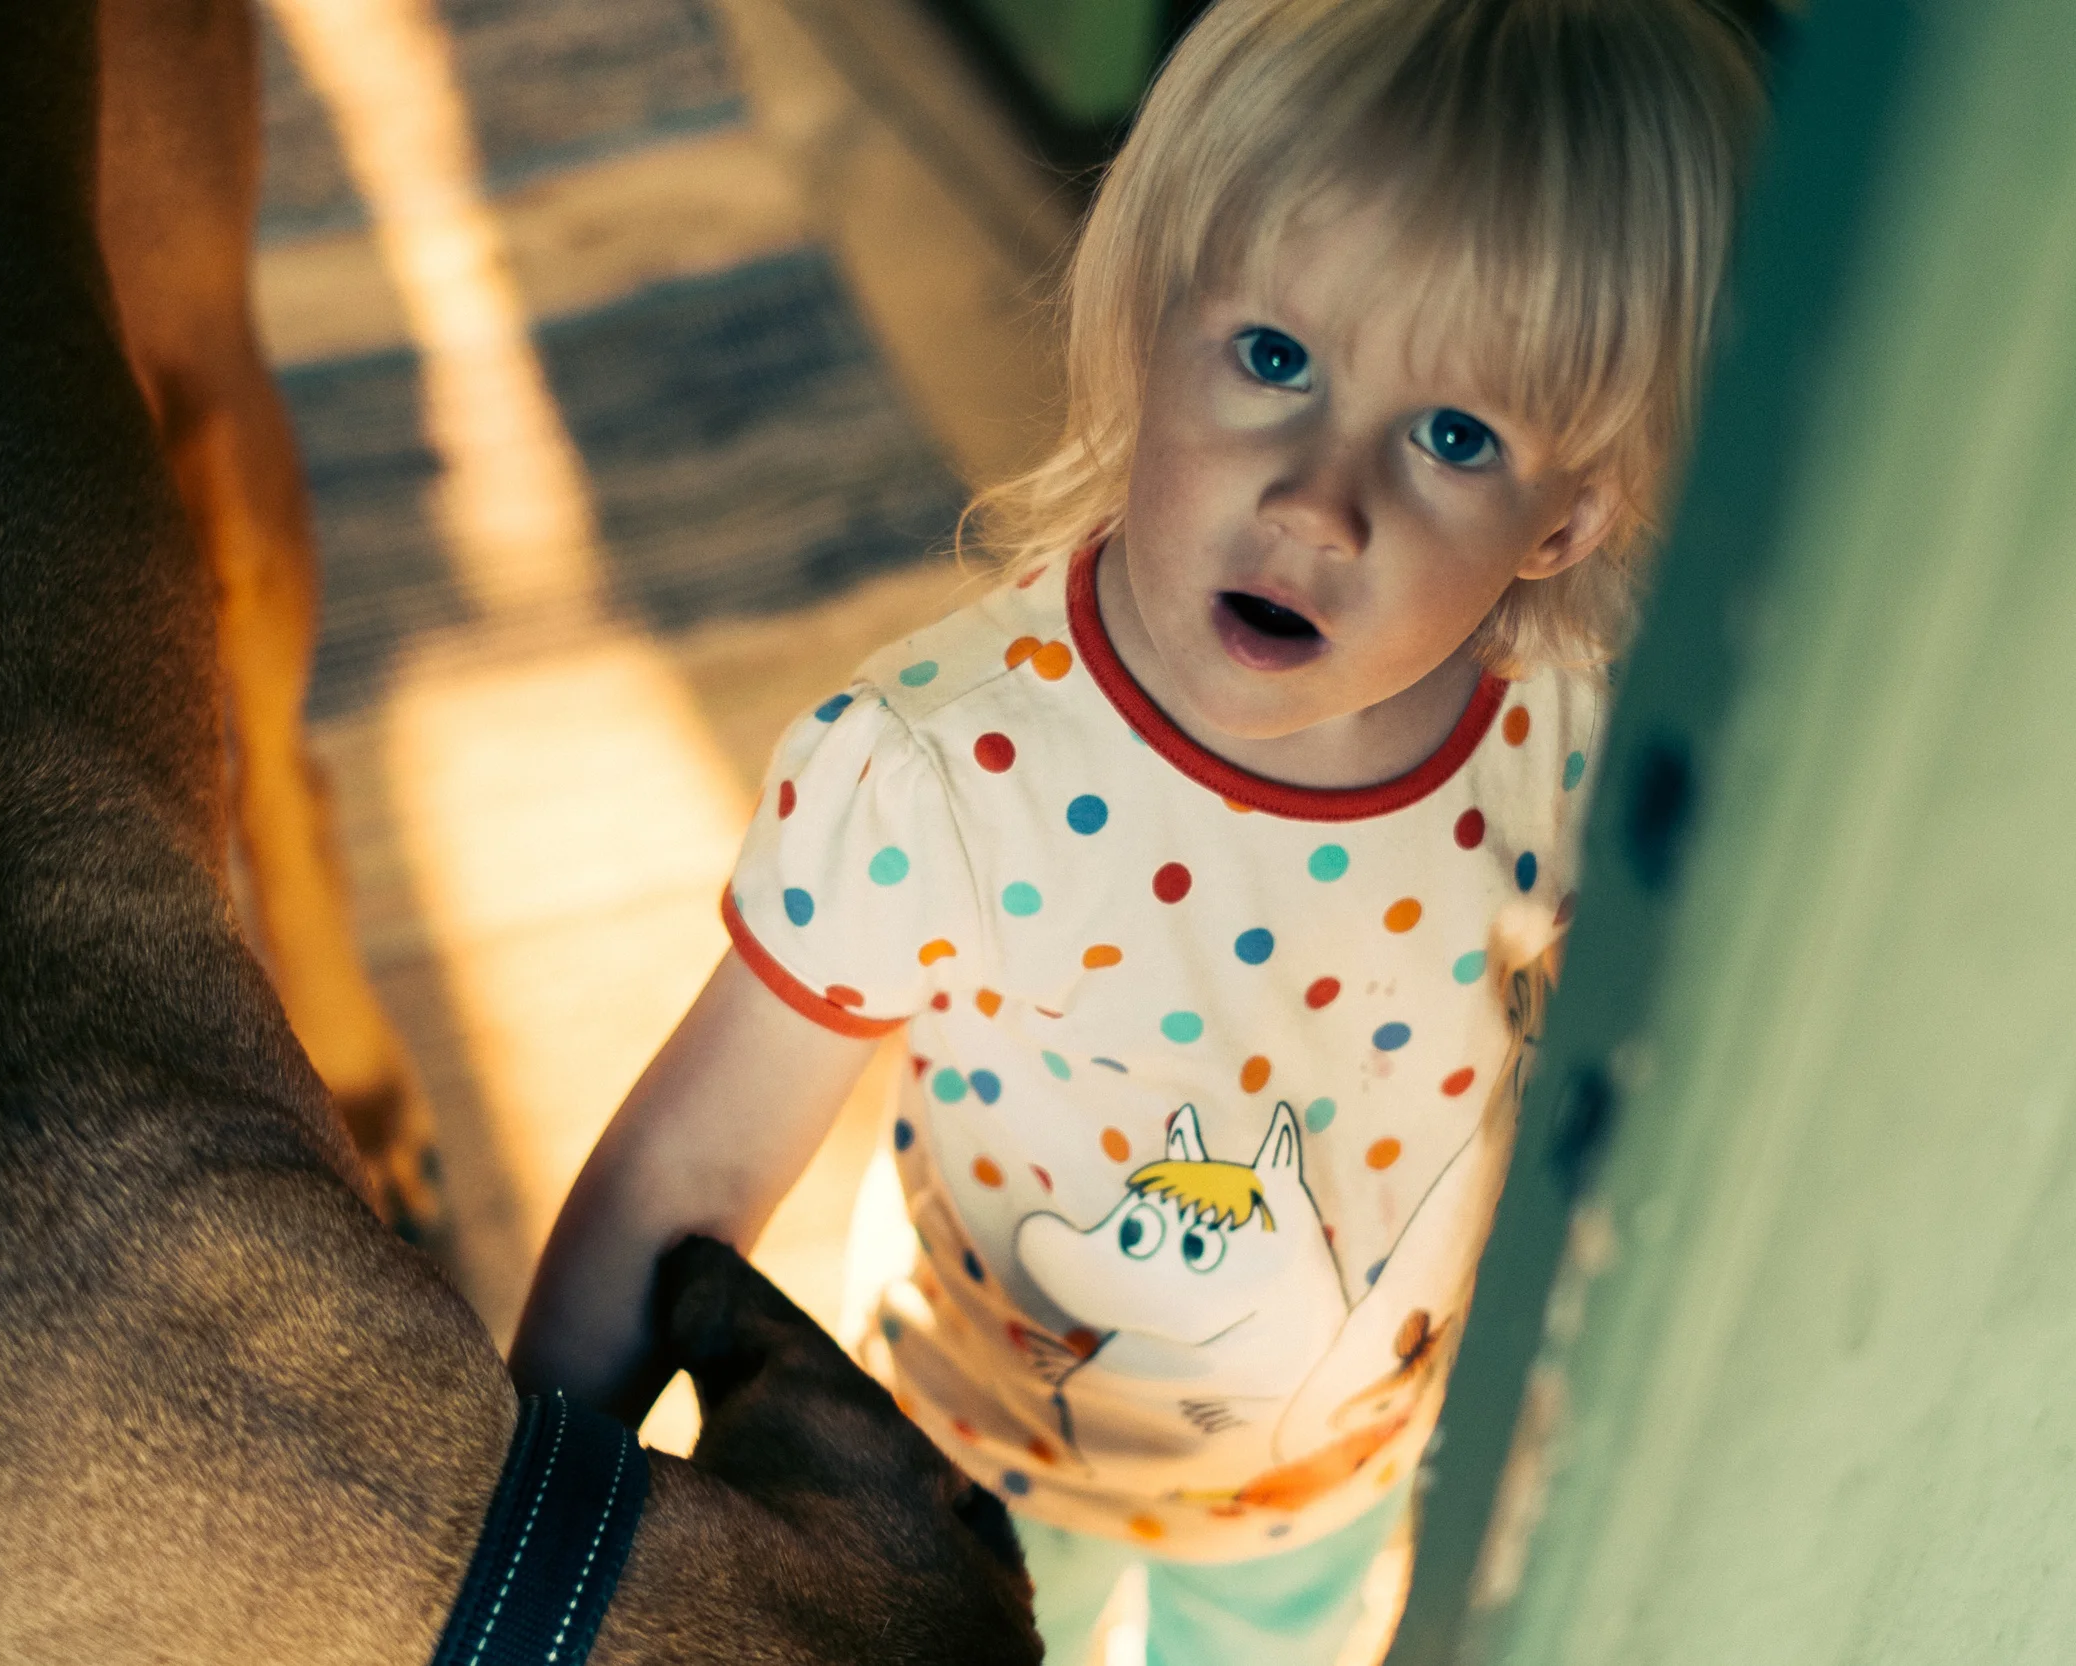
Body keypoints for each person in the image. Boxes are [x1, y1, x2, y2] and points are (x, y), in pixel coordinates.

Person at [511, 0, 1762, 1657]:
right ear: (1158, 307)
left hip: (1346, 1474)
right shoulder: (939, 774)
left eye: (1456, 436)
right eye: (1274, 359)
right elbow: (686, 1167)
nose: (1321, 501)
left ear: (1569, 514)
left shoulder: (1576, 738)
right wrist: (532, 1518)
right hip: (969, 1464)